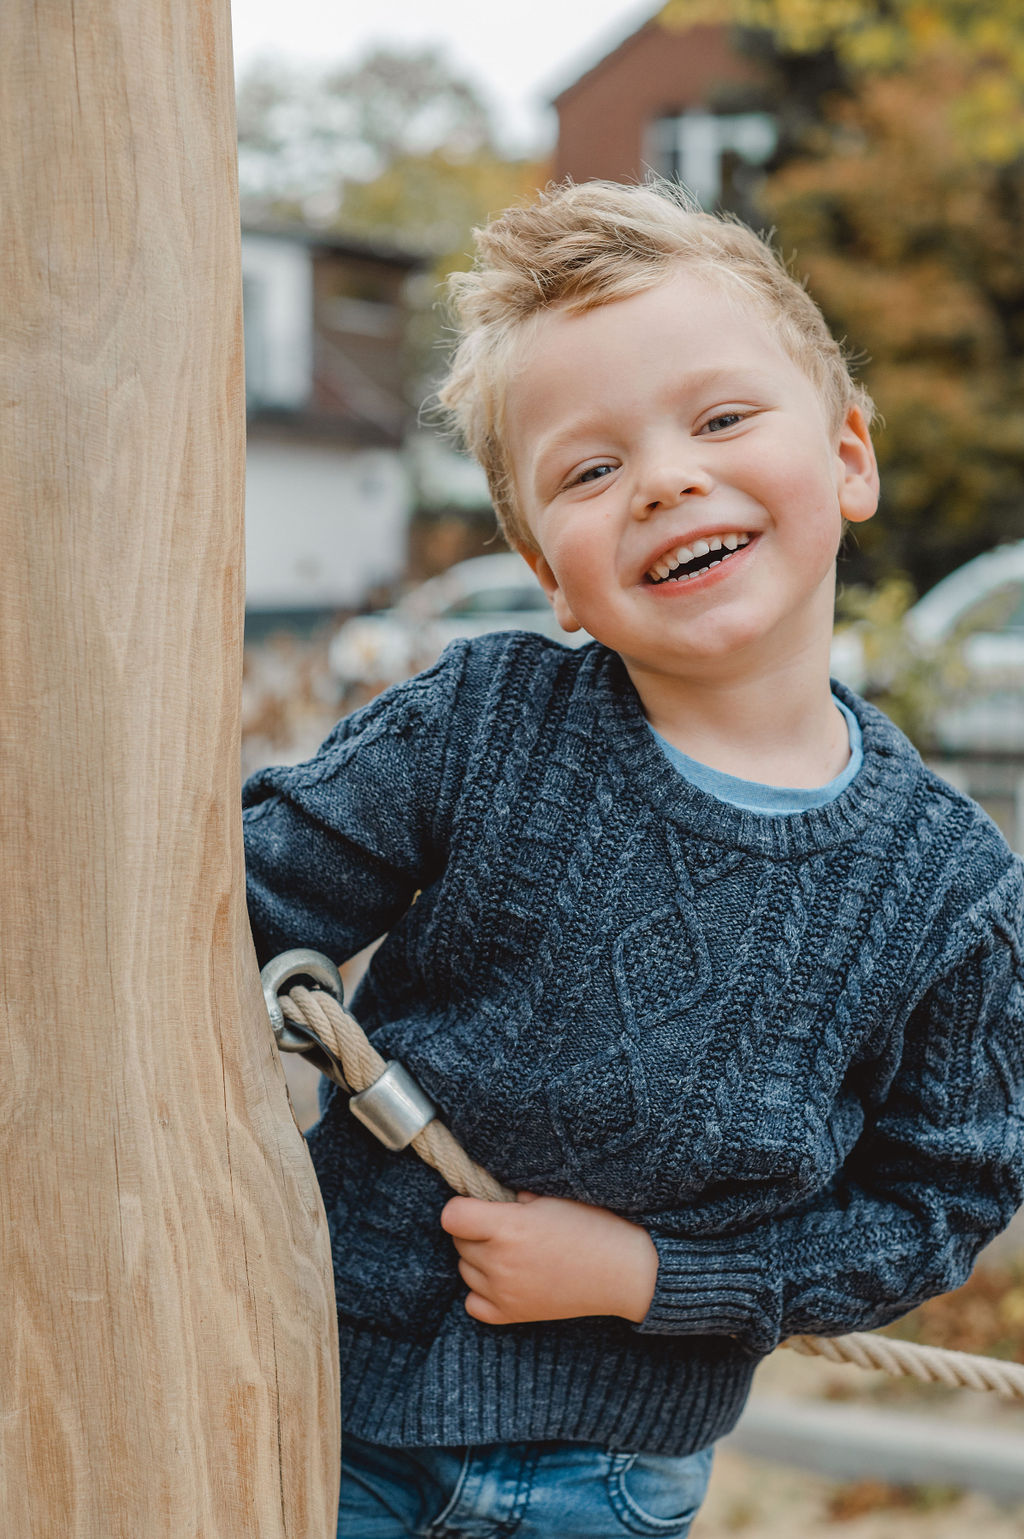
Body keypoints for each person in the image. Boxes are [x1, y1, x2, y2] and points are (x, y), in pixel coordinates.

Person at [242, 180, 1024, 1539]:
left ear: (846, 457)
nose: (666, 476)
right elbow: (231, 906)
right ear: (551, 567)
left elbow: (933, 1208)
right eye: (591, 470)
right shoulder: (481, 726)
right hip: (321, 1401)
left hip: (602, 1483)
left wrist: (649, 1276)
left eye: (722, 419)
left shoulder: (952, 890)